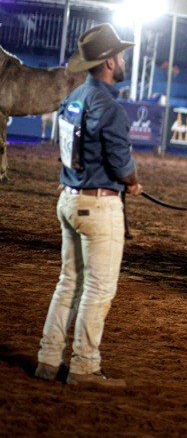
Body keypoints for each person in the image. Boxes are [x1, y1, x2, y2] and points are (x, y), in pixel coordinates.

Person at [36, 23, 143, 387]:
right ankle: (84, 366)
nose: (124, 59)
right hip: (98, 206)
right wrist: (131, 180)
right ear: (110, 62)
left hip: (69, 197)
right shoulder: (109, 107)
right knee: (98, 290)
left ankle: (48, 359)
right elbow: (121, 164)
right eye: (122, 55)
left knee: (69, 283)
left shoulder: (74, 97)